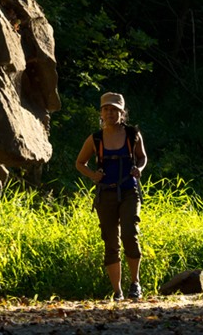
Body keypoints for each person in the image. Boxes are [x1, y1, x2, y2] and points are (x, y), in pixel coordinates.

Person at [76, 91, 147, 301]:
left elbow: (142, 158)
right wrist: (93, 176)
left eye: (114, 110)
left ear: (122, 113)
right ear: (101, 112)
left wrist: (139, 169)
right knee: (110, 241)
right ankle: (117, 292)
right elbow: (80, 163)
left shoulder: (133, 135)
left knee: (130, 235)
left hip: (129, 191)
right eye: (106, 109)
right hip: (105, 194)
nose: (110, 113)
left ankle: (135, 283)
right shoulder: (95, 138)